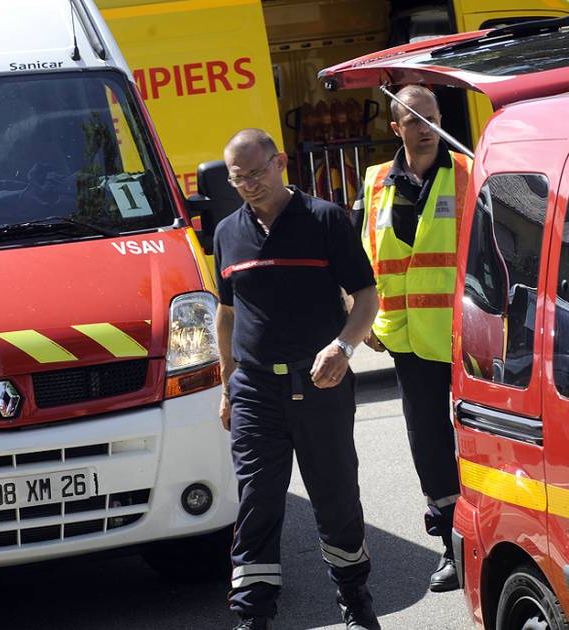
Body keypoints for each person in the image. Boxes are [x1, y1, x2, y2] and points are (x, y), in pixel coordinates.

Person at [215, 128, 381, 630]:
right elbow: (226, 314)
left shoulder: (326, 220)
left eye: (256, 173)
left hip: (320, 387)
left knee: (334, 499)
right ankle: (253, 617)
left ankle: (355, 602)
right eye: (237, 178)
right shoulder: (226, 233)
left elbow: (366, 298)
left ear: (280, 162)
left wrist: (344, 346)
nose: (247, 185)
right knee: (257, 501)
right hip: (255, 391)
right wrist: (227, 386)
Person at [350, 85, 473, 593]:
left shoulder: (469, 171)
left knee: (480, 439)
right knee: (428, 444)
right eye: (412, 120)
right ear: (394, 127)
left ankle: (487, 536)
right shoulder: (377, 180)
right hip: (404, 338)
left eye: (431, 117)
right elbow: (361, 255)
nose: (424, 129)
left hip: (467, 338)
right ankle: (451, 543)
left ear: (442, 118)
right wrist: (365, 320)